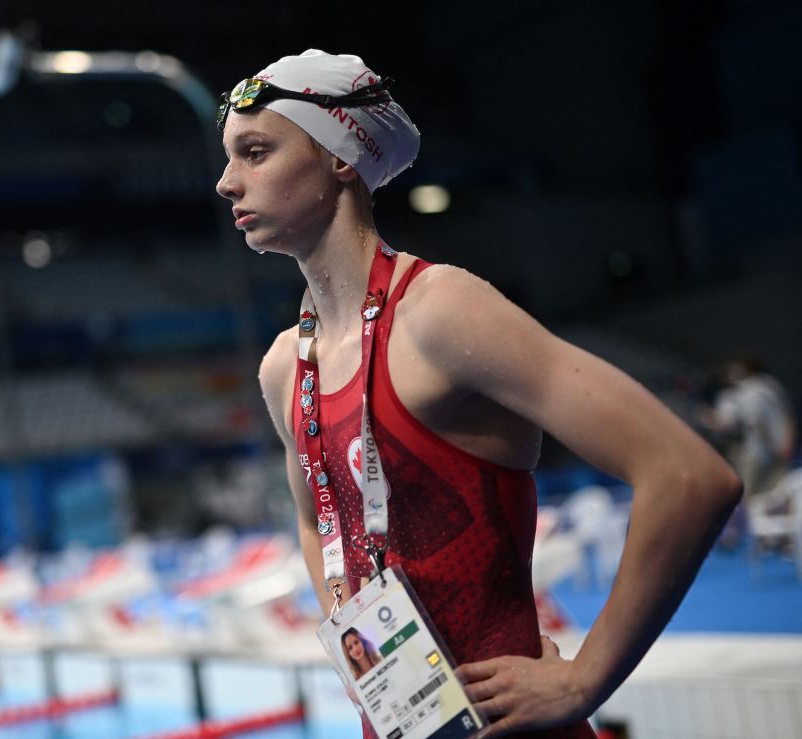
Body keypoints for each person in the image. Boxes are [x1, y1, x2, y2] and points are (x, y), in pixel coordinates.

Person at [215, 50, 742, 738]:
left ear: (340, 157)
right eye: (228, 158)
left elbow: (688, 474)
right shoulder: (286, 365)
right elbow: (320, 522)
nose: (227, 182)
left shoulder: (439, 314)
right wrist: (369, 660)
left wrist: (586, 678)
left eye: (255, 152)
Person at [701, 357, 796, 549]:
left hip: (760, 453)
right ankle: (781, 538)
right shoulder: (770, 384)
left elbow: (746, 423)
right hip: (779, 449)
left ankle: (759, 537)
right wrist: (787, 442)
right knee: (780, 493)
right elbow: (787, 414)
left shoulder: (743, 393)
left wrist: (707, 417)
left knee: (752, 496)